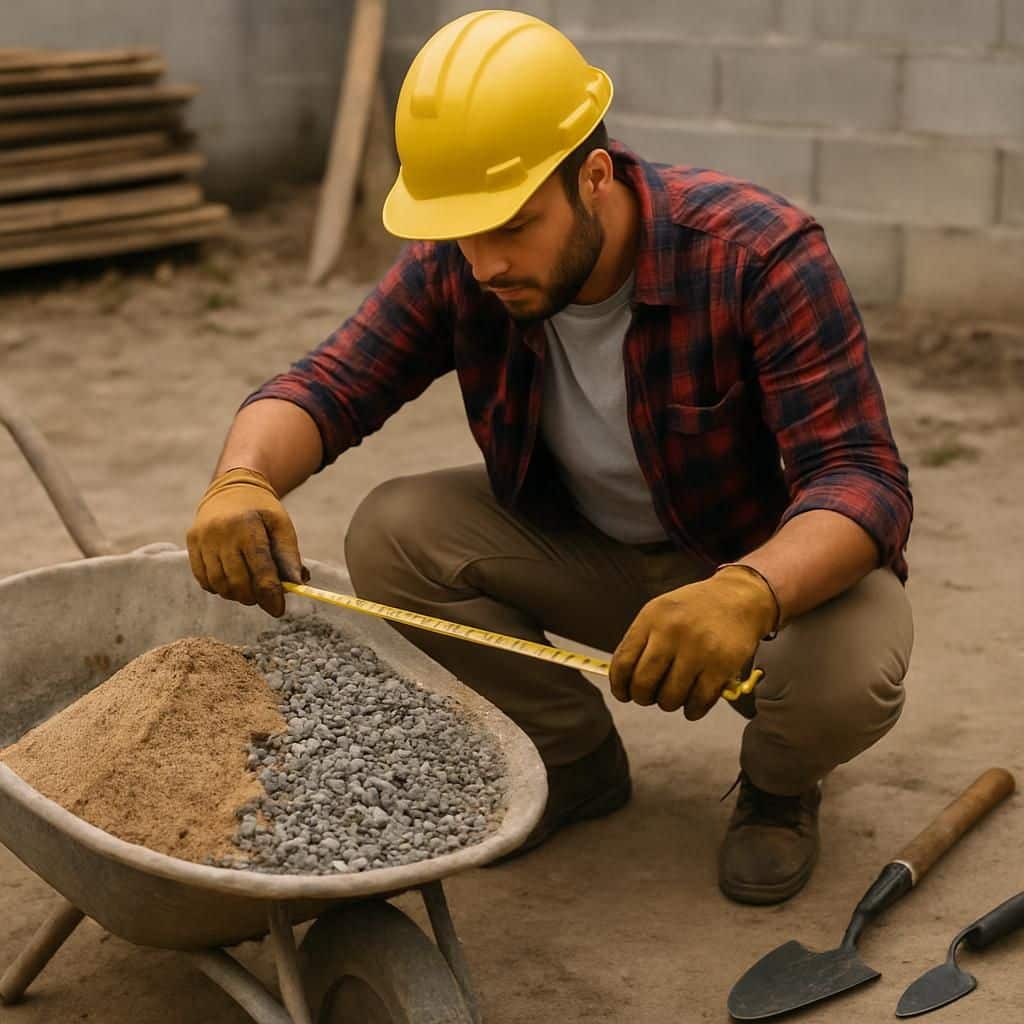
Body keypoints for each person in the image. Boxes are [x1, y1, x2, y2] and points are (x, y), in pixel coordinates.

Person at [187, 10, 913, 905]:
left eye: (513, 226)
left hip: (751, 579)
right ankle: (572, 763)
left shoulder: (755, 255)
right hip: (590, 554)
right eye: (466, 234)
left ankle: (777, 789)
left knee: (849, 672)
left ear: (594, 177)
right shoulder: (467, 261)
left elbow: (862, 478)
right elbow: (331, 383)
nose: (486, 263)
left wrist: (743, 591)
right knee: (397, 531)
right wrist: (241, 478)